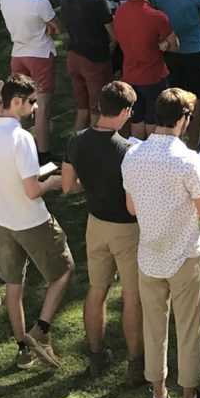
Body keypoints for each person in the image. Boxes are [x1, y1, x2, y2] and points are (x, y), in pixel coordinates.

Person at [123, 88, 200, 398]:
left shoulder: (133, 156)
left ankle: (158, 396)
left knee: (154, 327)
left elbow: (131, 207)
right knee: (188, 328)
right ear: (184, 119)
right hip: (184, 254)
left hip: (149, 255)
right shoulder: (187, 159)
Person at [0, 74, 75, 370]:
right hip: (32, 220)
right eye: (32, 102)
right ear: (16, 101)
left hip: (3, 222)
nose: (35, 108)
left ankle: (23, 351)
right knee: (63, 270)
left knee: (13, 284)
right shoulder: (22, 138)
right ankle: (40, 332)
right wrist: (52, 182)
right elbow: (33, 190)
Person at [63, 81, 143, 377]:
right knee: (132, 295)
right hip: (127, 229)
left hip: (95, 224)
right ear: (123, 111)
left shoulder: (76, 140)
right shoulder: (129, 151)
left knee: (97, 290)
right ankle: (136, 362)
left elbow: (69, 186)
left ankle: (96, 355)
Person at [1, 0, 61, 156]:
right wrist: (48, 27)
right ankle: (43, 153)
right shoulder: (38, 0)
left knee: (19, 104)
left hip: (18, 53)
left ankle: (21, 150)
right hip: (40, 54)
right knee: (42, 105)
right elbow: (57, 26)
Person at [114, 0, 178, 134]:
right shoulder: (158, 17)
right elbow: (175, 45)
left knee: (137, 121)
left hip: (130, 76)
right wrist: (163, 44)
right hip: (154, 77)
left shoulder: (119, 12)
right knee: (154, 123)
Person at [58, 0, 114, 134]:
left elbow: (84, 10)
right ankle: (93, 151)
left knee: (82, 109)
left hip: (74, 57)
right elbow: (114, 34)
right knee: (97, 109)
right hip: (94, 60)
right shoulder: (97, 3)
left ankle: (73, 151)